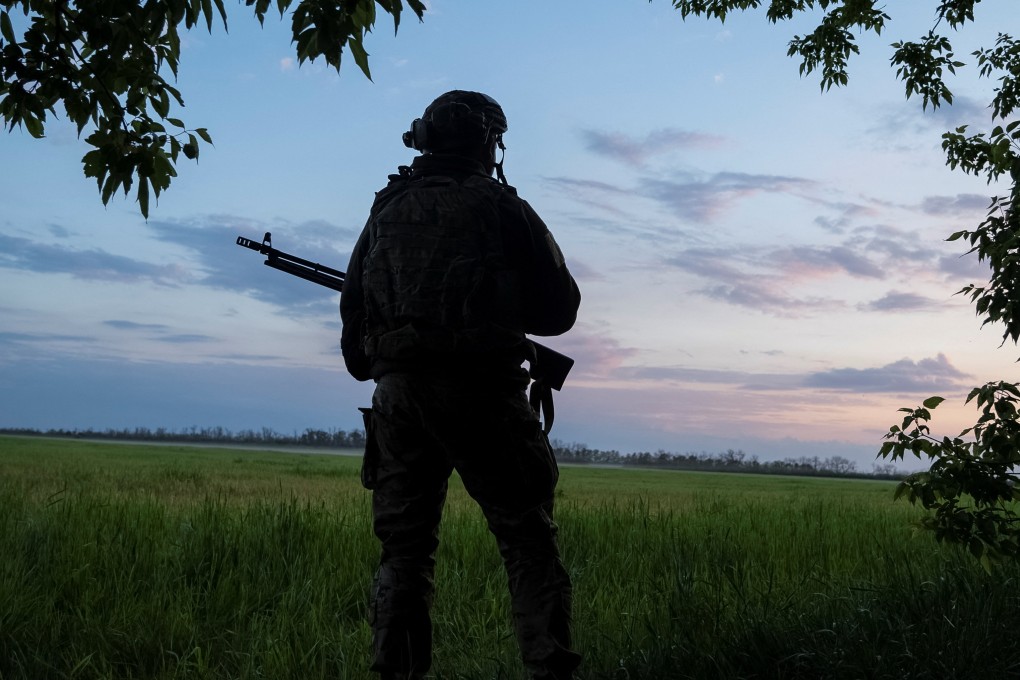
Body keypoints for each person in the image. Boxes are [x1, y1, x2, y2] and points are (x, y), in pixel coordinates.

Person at [339, 90, 582, 680]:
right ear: (488, 141)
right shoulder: (502, 207)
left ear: (425, 138)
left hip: (399, 401)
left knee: (404, 553)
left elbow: (354, 340)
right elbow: (561, 309)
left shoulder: (385, 209)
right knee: (528, 541)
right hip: (484, 396)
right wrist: (498, 313)